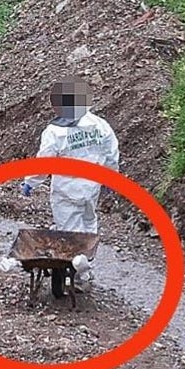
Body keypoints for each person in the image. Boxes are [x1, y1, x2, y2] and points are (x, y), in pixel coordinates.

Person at [19, 76, 120, 289]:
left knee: (68, 233)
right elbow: (111, 154)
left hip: (67, 191)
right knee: (88, 224)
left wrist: (30, 183)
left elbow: (44, 163)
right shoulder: (100, 126)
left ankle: (80, 271)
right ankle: (85, 259)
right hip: (91, 188)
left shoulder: (56, 131)